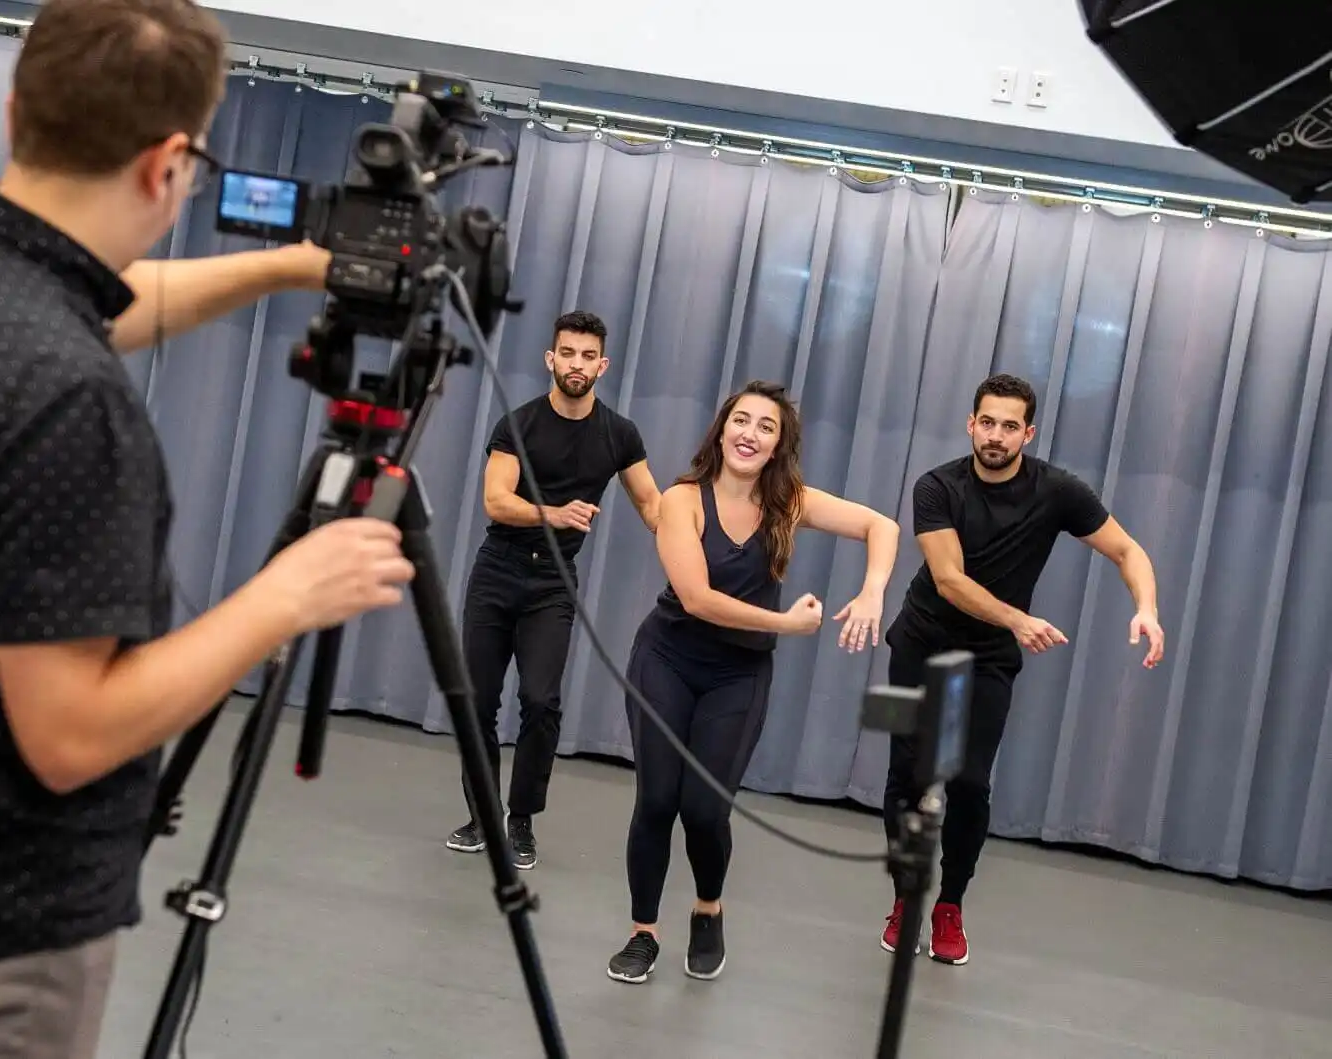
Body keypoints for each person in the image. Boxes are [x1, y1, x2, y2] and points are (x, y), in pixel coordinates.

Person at [0, 2, 416, 1056]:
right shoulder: (67, 401)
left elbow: (90, 304)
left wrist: (290, 266)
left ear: (22, 107)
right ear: (167, 166)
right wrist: (288, 595)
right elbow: (70, 734)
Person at [606, 379, 900, 984]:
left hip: (737, 675)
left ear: (777, 447)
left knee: (706, 810)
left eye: (766, 427)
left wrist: (872, 592)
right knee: (658, 801)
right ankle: (642, 933)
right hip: (667, 659)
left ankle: (707, 909)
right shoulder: (682, 500)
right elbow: (696, 598)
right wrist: (787, 624)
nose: (750, 433)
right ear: (722, 429)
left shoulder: (788, 502)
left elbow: (883, 527)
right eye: (741, 420)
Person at [878, 372, 1164, 966]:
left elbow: (1127, 550)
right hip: (918, 643)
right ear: (971, 424)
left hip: (987, 660)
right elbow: (950, 580)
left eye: (1010, 426)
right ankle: (905, 897)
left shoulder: (1057, 491)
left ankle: (948, 905)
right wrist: (1019, 620)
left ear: (1027, 433)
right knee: (906, 773)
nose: (997, 436)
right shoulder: (937, 486)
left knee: (968, 783)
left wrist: (1148, 609)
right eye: (988, 422)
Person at [444, 310, 663, 869]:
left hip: (552, 583)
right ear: (551, 359)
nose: (577, 365)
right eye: (568, 353)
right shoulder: (517, 424)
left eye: (588, 356)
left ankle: (520, 821)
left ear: (602, 366)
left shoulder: (620, 434)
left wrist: (699, 542)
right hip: (497, 572)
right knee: (476, 703)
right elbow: (496, 500)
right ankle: (481, 816)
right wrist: (555, 513)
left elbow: (652, 506)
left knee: (541, 702)